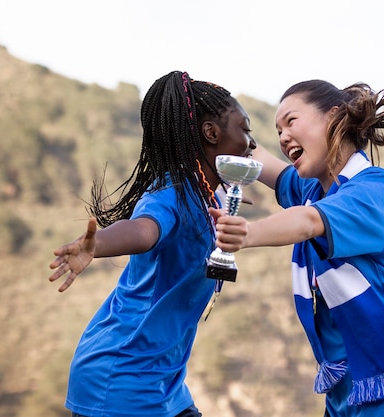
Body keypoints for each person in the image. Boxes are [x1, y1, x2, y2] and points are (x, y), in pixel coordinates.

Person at [211, 80, 384, 416]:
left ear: (333, 116)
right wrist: (213, 113)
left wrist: (247, 234)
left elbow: (309, 221)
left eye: (291, 122)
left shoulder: (374, 189)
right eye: (277, 130)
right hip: (346, 396)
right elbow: (257, 156)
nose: (282, 137)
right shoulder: (311, 188)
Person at [48, 70, 257, 417]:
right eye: (246, 130)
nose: (251, 141)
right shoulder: (170, 192)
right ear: (211, 133)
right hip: (122, 381)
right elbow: (144, 231)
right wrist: (96, 244)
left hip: (166, 383)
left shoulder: (204, 195)